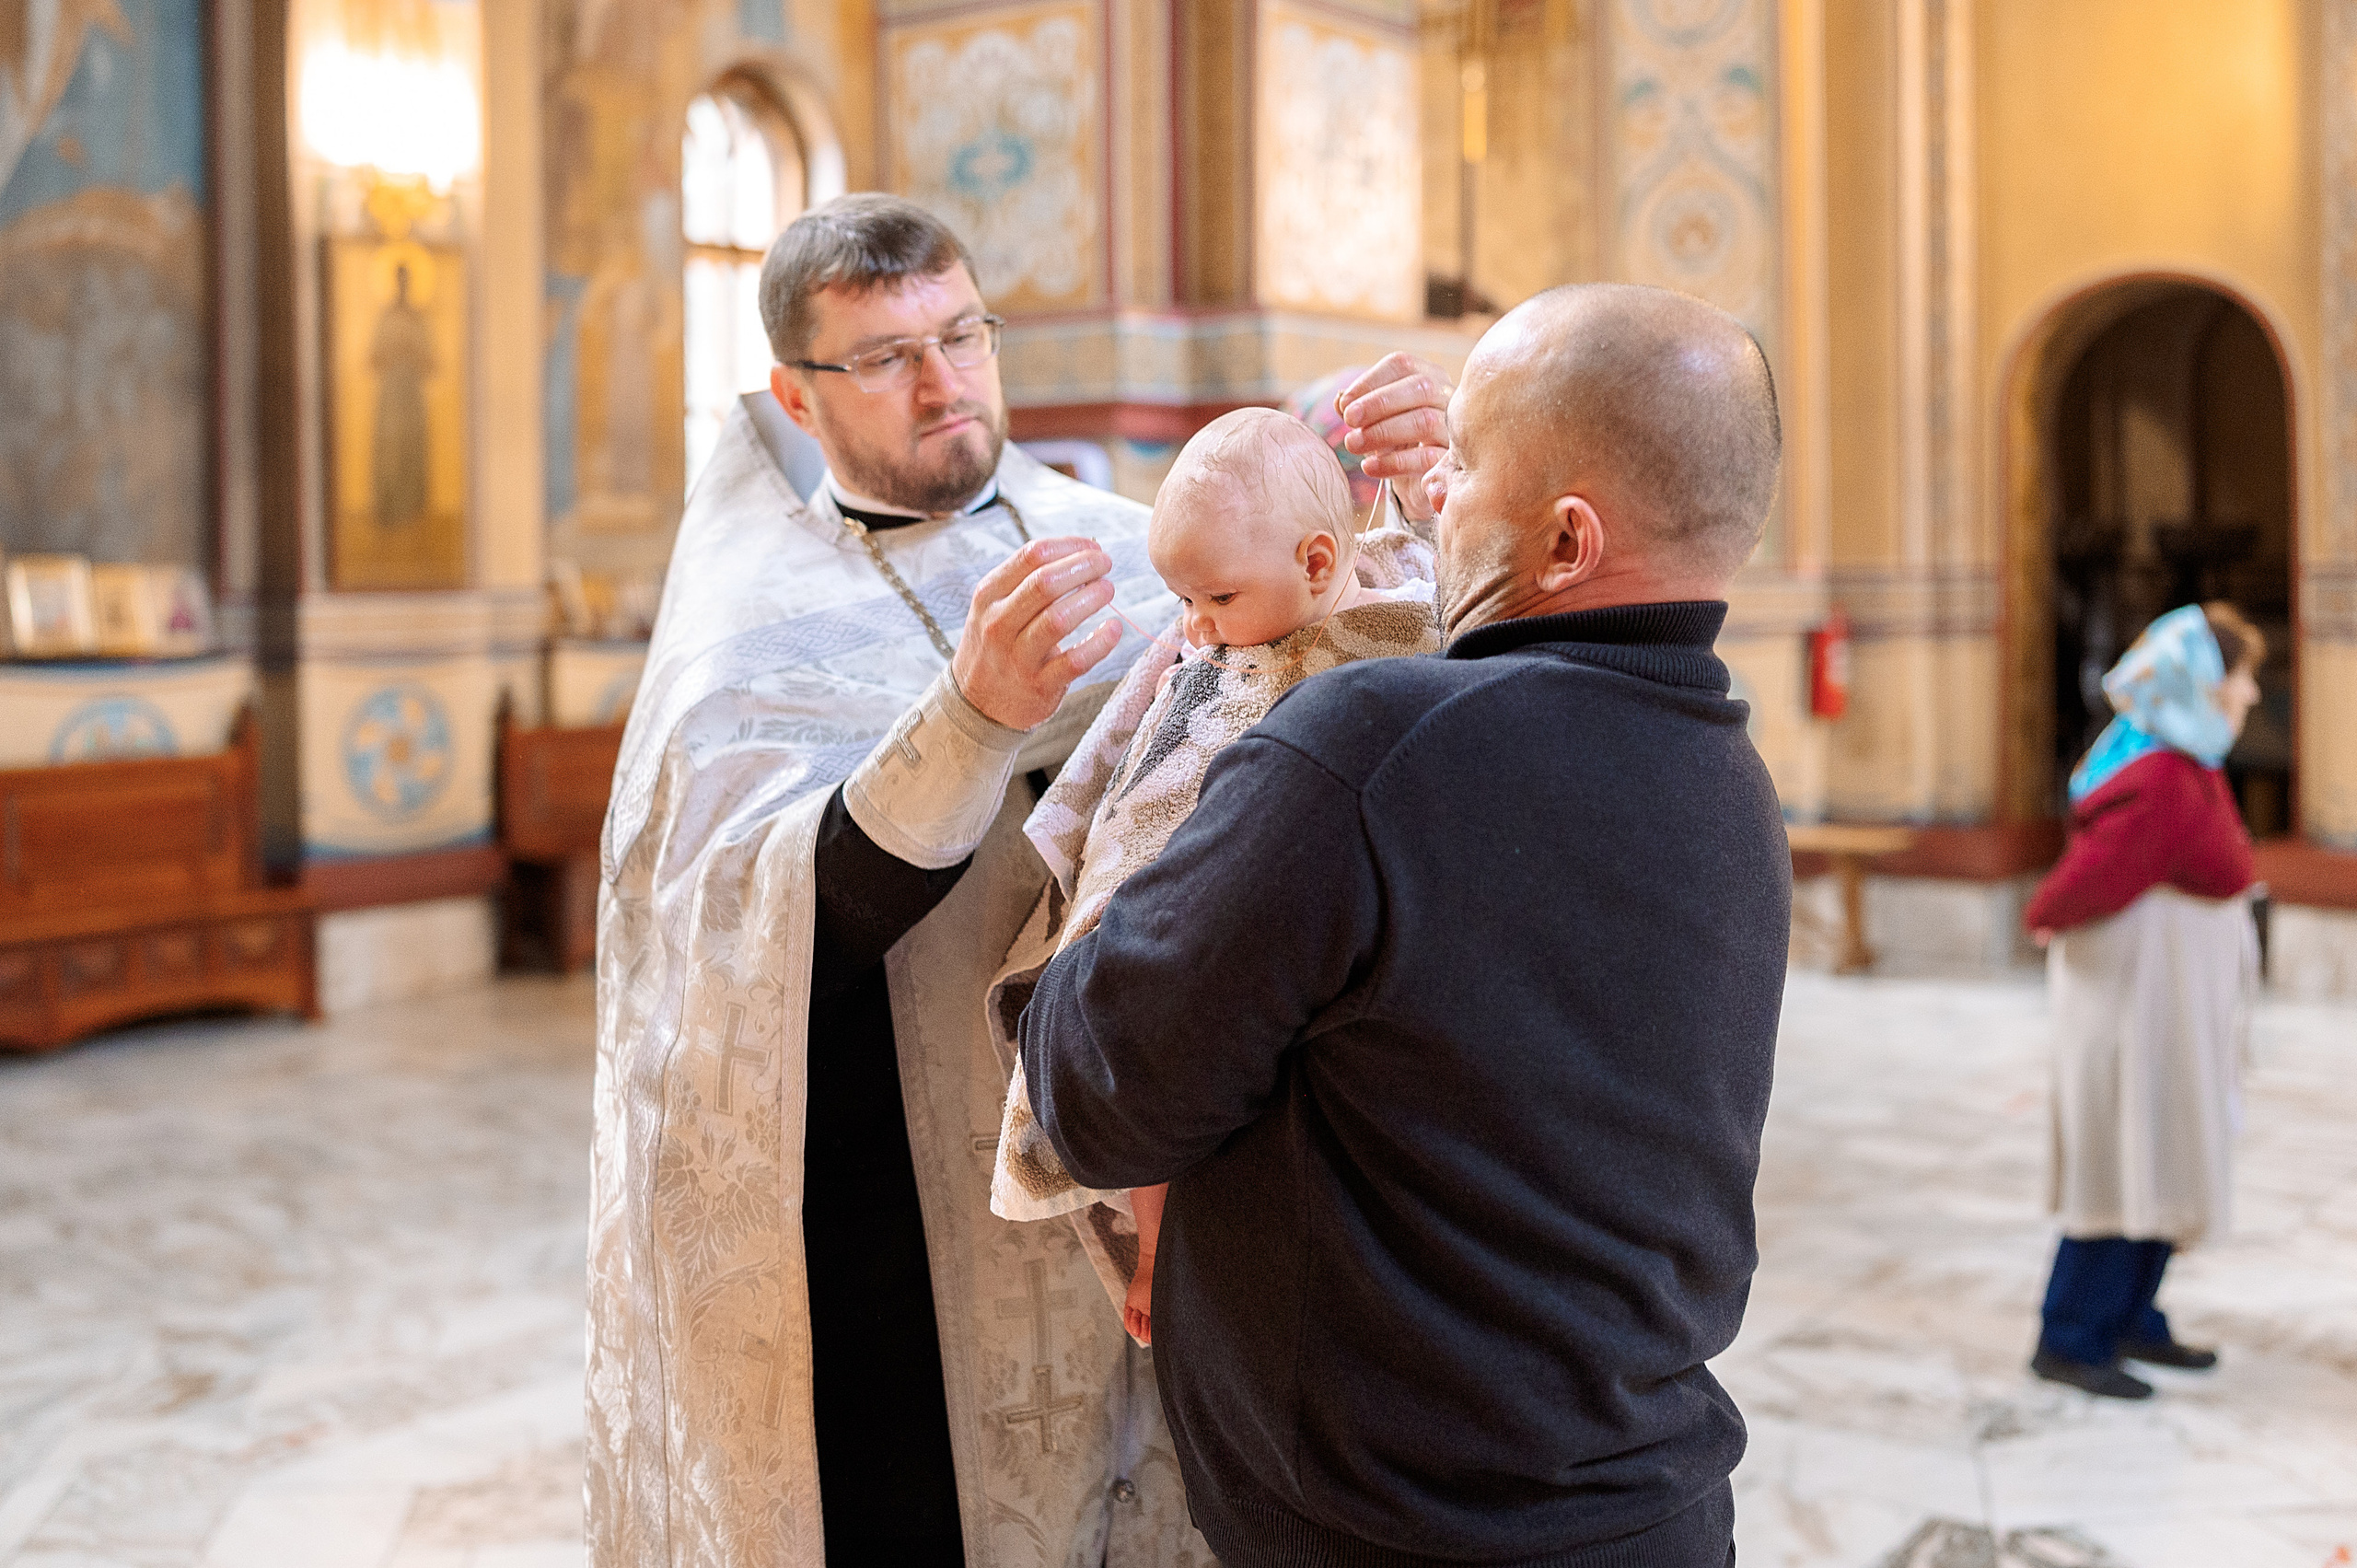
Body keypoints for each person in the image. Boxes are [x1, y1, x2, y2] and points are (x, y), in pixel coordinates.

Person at [1019, 282, 1792, 1567]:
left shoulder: (1366, 749)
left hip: (1394, 1530)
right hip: (1648, 1508)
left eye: (1466, 464)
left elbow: (1098, 1091)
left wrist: (1114, 849)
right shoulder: (1729, 778)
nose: (1433, 494)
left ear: (1565, 542)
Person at [586, 193, 1205, 1565]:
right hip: (886, 1208)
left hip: (1130, 1153)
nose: (943, 381)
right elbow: (755, 934)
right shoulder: (742, 625)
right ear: (796, 400)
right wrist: (971, 721)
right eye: (883, 358)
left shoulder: (1131, 542)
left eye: (961, 333)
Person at [983, 407, 1441, 1345]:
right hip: (1177, 884)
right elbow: (1157, 765)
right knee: (1134, 1035)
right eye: (1180, 598)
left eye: (1216, 599)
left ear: (1319, 564)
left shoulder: (1397, 621)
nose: (1192, 625)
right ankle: (1152, 1237)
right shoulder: (1219, 638)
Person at [2022, 601, 2265, 1400]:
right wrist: (2045, 914)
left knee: (2158, 1150)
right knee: (2125, 1157)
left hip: (2162, 1007)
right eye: (2241, 675)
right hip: (2136, 1010)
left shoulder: (2178, 757)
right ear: (2201, 679)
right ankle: (2072, 1333)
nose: (2251, 694)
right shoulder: (2160, 772)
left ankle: (2131, 1315)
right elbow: (2091, 878)